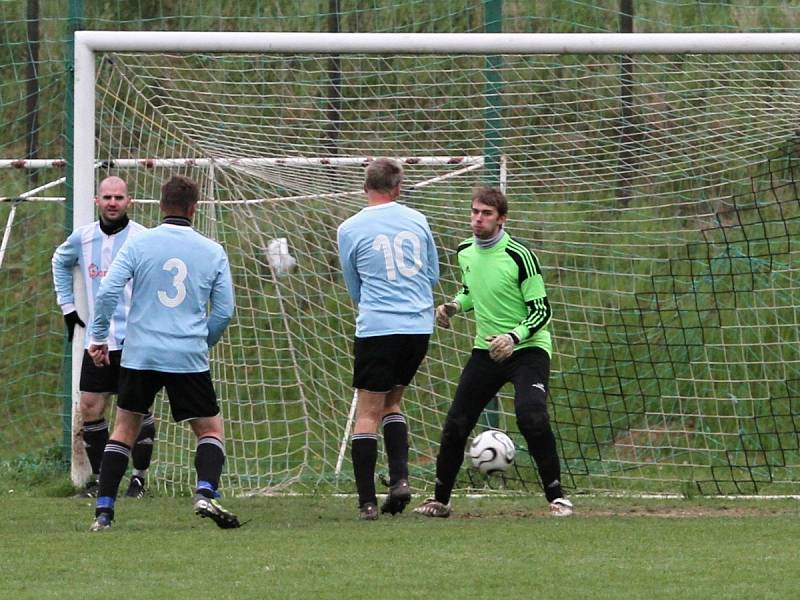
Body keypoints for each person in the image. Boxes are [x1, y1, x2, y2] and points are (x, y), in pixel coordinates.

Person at [86, 174, 238, 531]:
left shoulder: (139, 244)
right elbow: (224, 311)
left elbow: (108, 292)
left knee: (124, 428)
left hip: (141, 353)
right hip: (187, 354)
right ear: (194, 208)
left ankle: (104, 512)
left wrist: (98, 338)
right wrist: (204, 341)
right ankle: (204, 491)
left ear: (159, 205)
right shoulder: (212, 250)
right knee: (210, 429)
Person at [413, 186, 573, 518]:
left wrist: (514, 337)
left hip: (527, 349)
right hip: (486, 351)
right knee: (457, 423)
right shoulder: (464, 252)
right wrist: (455, 305)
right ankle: (439, 501)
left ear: (501, 219)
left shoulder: (520, 255)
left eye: (486, 214)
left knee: (532, 416)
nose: (478, 219)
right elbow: (472, 289)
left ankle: (557, 497)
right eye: (474, 212)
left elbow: (542, 310)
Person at [337, 158, 440, 520]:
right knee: (393, 403)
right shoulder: (418, 220)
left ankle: (367, 501)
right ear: (398, 187)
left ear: (365, 187)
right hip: (417, 327)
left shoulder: (350, 228)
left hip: (379, 326)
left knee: (367, 414)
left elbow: (354, 287)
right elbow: (432, 274)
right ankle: (400, 480)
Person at [51, 175, 156, 499]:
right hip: (97, 340)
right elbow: (59, 261)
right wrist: (68, 307)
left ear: (130, 202)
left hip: (135, 340)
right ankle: (100, 480)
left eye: (119, 197)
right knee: (91, 406)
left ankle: (138, 478)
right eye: (107, 197)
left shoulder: (143, 238)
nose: (113, 202)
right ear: (97, 201)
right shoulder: (82, 238)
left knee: (137, 410)